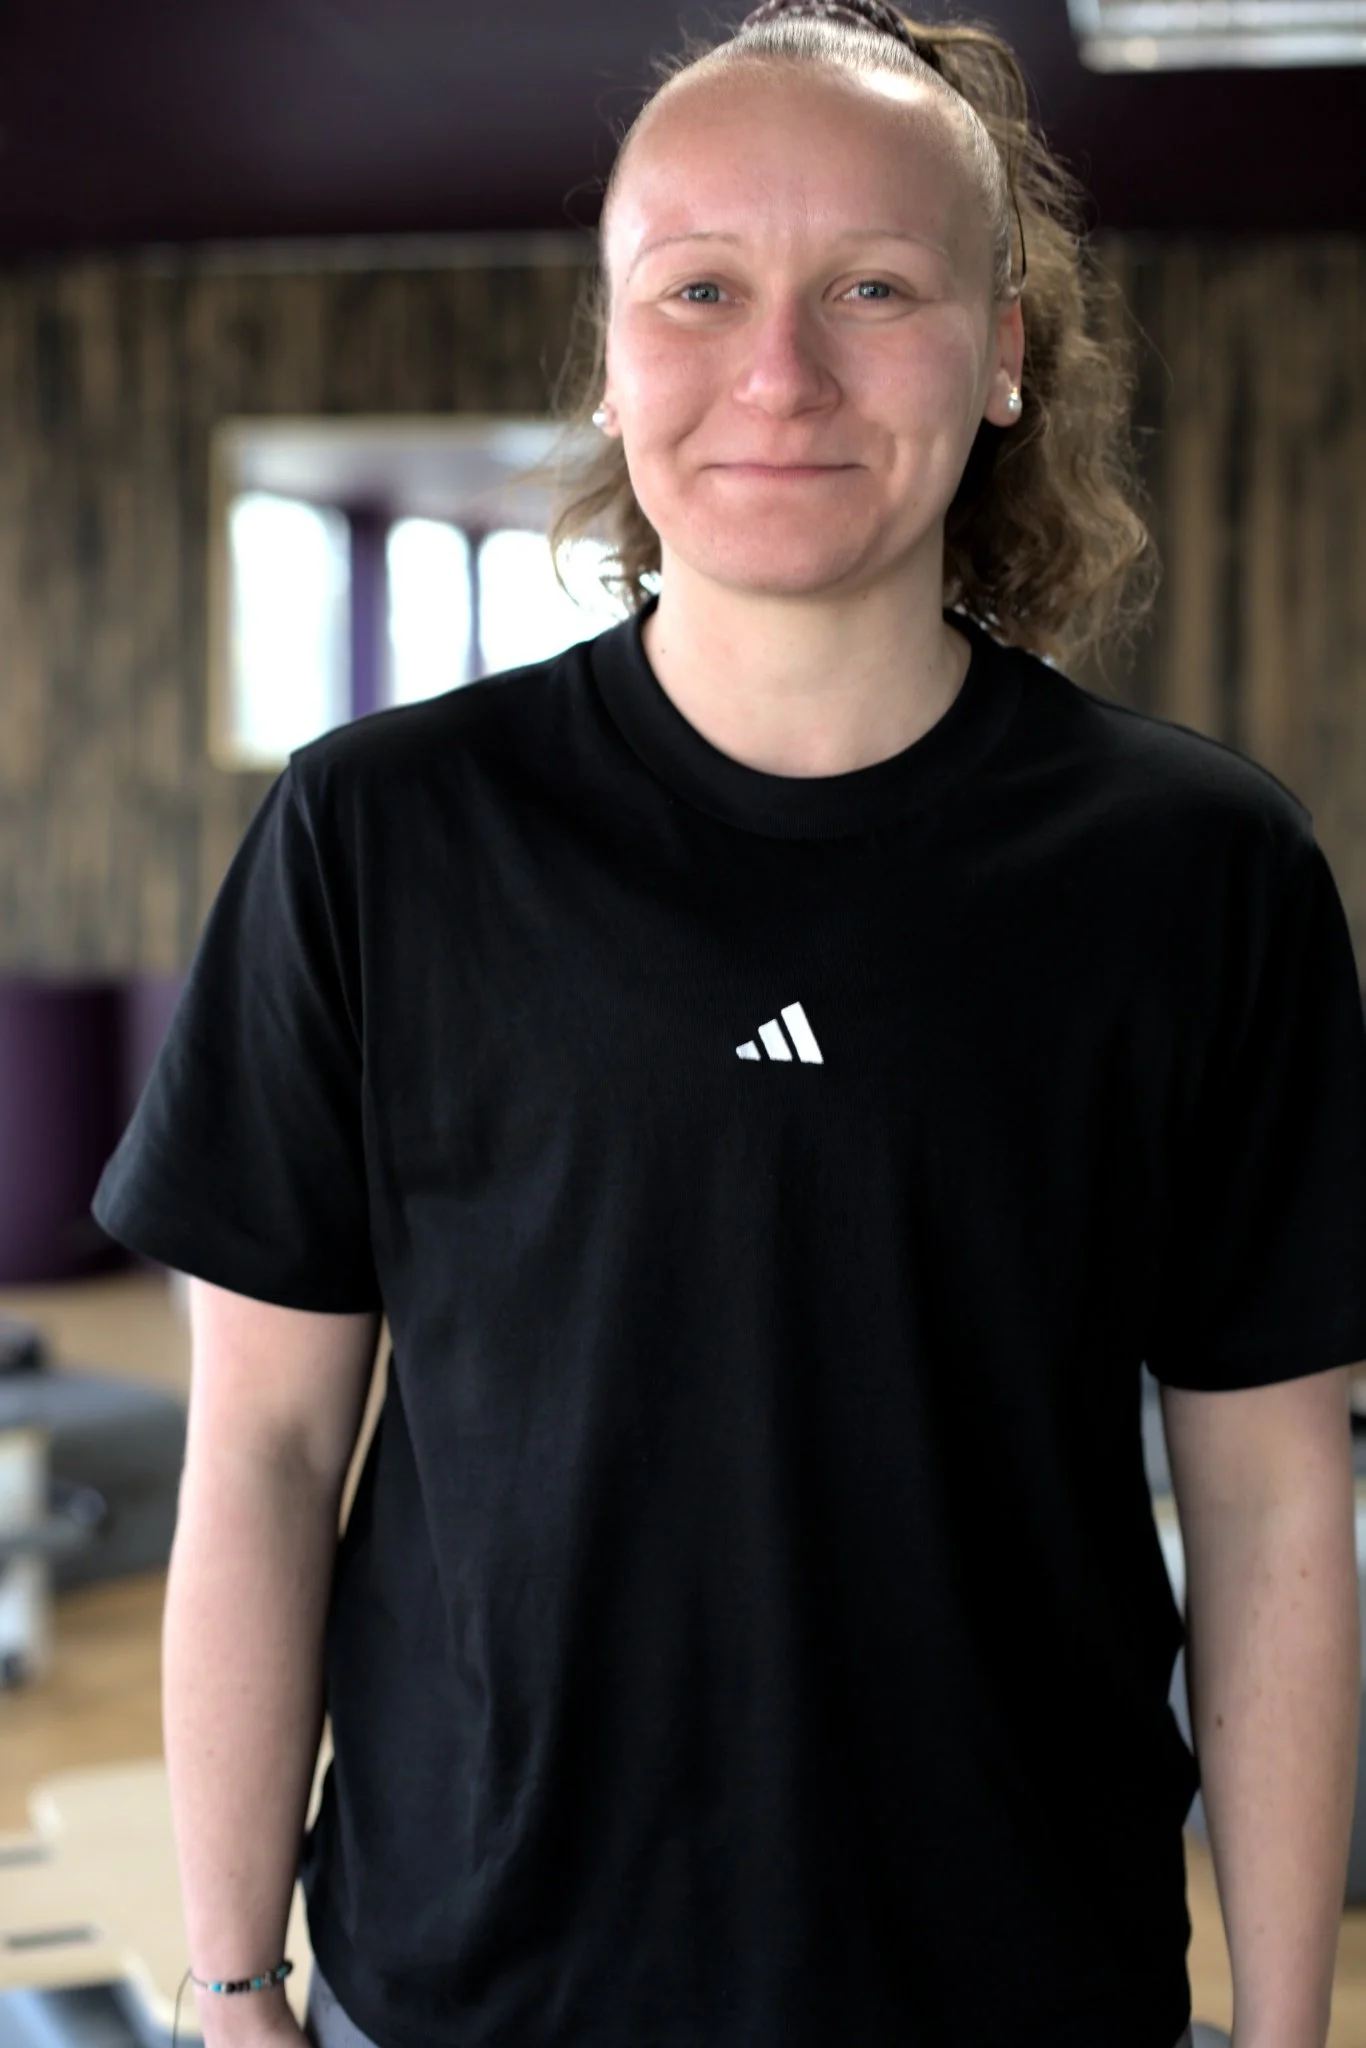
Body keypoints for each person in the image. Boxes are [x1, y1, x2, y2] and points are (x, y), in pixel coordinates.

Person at [91, 3, 1366, 2046]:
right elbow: (258, 1446)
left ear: (1006, 347)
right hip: (468, 1989)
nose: (778, 372)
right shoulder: (381, 833)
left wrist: (1288, 2023)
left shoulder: (1196, 873)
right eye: (699, 289)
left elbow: (1271, 1494)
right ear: (609, 351)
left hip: (1012, 1982)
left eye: (873, 286)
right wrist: (237, 1986)